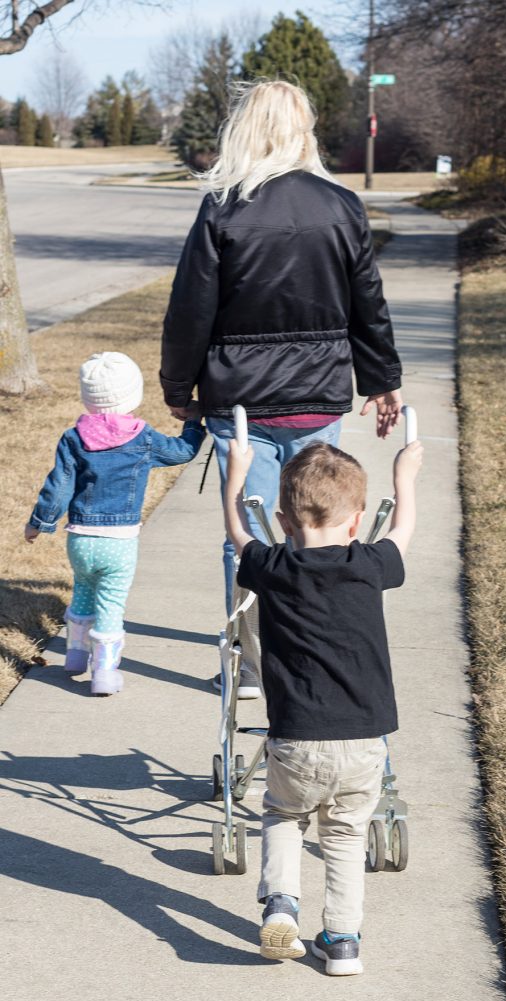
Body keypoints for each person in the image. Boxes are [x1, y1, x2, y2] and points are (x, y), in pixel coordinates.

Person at [160, 80, 403, 697]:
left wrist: (176, 385)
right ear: (304, 130)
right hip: (316, 397)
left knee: (247, 528)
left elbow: (190, 308)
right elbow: (366, 302)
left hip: (238, 399)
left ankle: (248, 662)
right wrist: (380, 381)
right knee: (312, 524)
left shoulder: (223, 206)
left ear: (243, 129)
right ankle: (304, 648)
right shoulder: (341, 204)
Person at [225, 436, 423, 976]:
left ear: (285, 521)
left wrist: (236, 477)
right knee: (344, 835)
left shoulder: (271, 566)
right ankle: (341, 944)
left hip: (294, 736)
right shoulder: (370, 563)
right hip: (364, 740)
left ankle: (282, 904)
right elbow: (402, 534)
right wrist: (405, 475)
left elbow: (238, 534)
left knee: (284, 815)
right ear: (357, 521)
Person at [25, 352, 205, 696]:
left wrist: (40, 523)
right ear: (133, 395)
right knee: (111, 603)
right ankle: (104, 673)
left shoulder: (73, 438)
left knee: (83, 589)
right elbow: (182, 452)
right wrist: (194, 423)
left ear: (86, 396)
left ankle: (75, 657)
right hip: (119, 541)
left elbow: (58, 485)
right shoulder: (143, 438)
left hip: (80, 538)